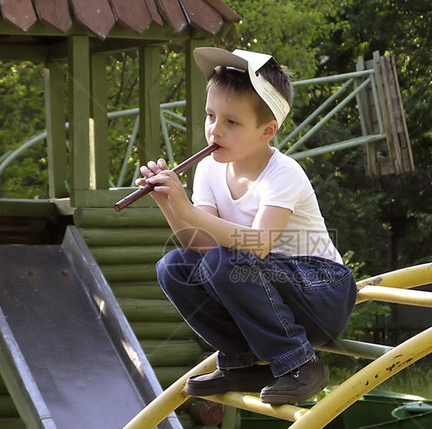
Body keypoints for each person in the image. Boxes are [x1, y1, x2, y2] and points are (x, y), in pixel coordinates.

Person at [136, 47, 357, 405]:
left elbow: (257, 244)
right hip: (265, 289)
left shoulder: (283, 173)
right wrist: (169, 204)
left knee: (228, 260)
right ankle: (242, 363)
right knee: (174, 266)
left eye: (231, 122)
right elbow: (200, 244)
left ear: (266, 130)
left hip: (322, 290)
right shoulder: (209, 169)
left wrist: (187, 210)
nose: (215, 130)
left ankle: (303, 363)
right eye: (211, 116)